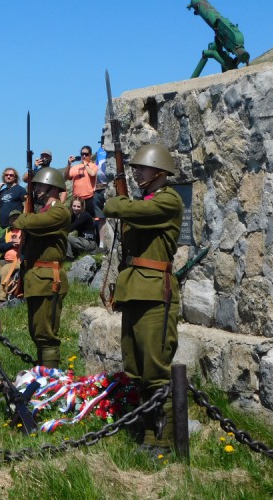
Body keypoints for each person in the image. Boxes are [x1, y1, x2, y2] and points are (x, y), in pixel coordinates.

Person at [102, 144, 183, 454]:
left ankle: (166, 438)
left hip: (154, 293)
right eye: (134, 168)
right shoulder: (144, 200)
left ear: (159, 172)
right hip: (134, 291)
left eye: (142, 168)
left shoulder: (168, 201)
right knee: (136, 368)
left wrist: (116, 201)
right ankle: (149, 433)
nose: (136, 172)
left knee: (155, 367)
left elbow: (129, 210)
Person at [13, 167, 70, 369]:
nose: (36, 188)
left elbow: (32, 222)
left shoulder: (59, 211)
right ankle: (43, 375)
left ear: (53, 187)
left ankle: (50, 380)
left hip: (48, 278)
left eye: (40, 184)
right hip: (37, 278)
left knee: (46, 334)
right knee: (37, 332)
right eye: (35, 184)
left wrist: (19, 218)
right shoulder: (44, 210)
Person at [0, 167, 26, 234]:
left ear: (15, 177)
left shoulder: (20, 190)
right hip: (3, 227)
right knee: (2, 244)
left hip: (16, 225)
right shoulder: (2, 192)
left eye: (11, 175)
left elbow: (26, 206)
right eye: (6, 175)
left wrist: (23, 222)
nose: (8, 177)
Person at [64, 145, 98, 217]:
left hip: (89, 197)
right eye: (82, 154)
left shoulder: (93, 165)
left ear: (90, 155)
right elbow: (66, 176)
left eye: (86, 154)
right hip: (77, 199)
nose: (84, 156)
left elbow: (92, 174)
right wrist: (69, 164)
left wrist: (86, 165)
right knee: (76, 220)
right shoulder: (76, 167)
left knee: (90, 219)